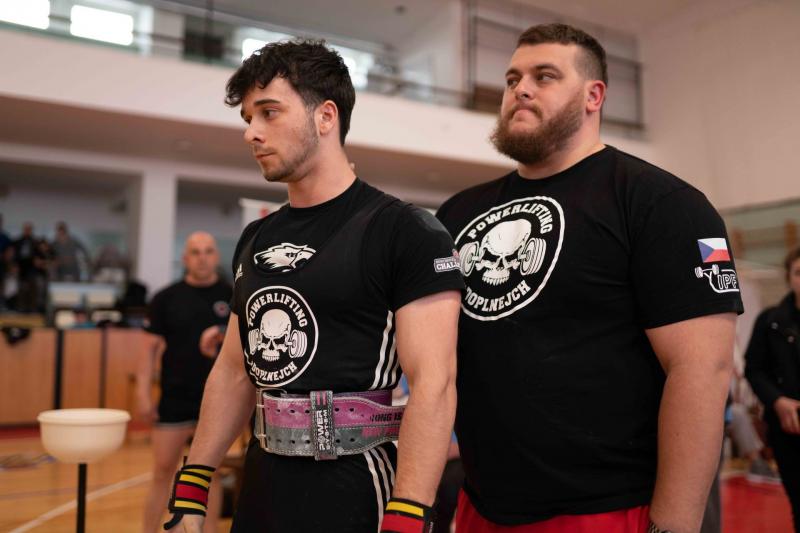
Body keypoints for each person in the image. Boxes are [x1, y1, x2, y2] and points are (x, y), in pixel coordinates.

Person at [436, 23, 743, 533]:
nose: (521, 89)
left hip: (609, 509)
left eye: (544, 76)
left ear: (593, 96)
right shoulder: (458, 212)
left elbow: (702, 371)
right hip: (483, 504)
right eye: (512, 79)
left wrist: (672, 526)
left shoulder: (662, 203)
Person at [165, 39, 464, 533]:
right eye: (248, 118)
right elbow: (234, 370)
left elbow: (435, 384)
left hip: (361, 486)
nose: (251, 132)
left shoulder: (406, 231)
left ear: (326, 116)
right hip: (263, 483)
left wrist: (410, 512)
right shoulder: (256, 238)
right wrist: (193, 487)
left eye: (269, 112)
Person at [137, 231, 232, 533]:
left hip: (217, 400)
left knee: (208, 474)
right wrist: (143, 393)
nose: (202, 258)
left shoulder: (233, 295)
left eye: (208, 251)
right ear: (185, 258)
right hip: (175, 397)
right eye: (195, 252)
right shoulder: (166, 298)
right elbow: (147, 351)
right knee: (163, 471)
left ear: (216, 256)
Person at [745, 246, 800, 531]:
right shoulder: (770, 322)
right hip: (788, 431)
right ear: (788, 277)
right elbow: (753, 370)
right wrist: (778, 401)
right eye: (799, 272)